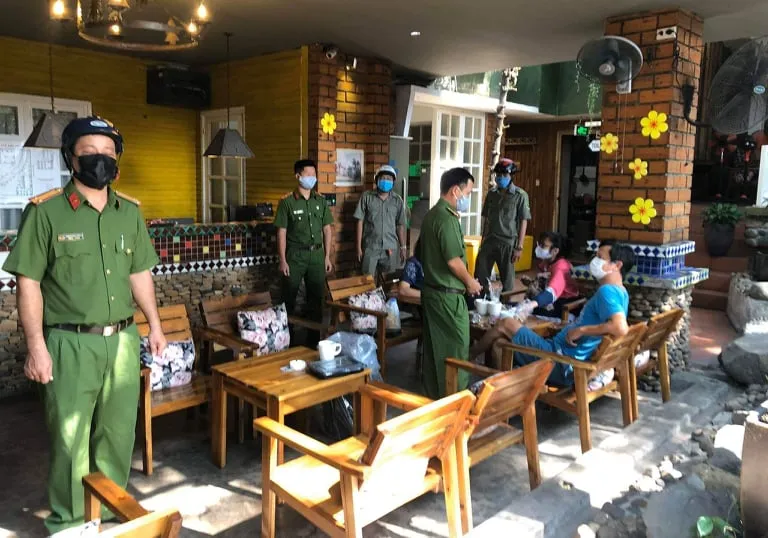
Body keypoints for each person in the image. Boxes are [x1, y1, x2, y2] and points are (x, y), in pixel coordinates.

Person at [2, 116, 167, 534]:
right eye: (90, 153)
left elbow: (139, 274)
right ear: (71, 159)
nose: (100, 160)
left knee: (117, 434)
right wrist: (36, 346)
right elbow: (28, 282)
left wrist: (155, 325)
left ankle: (109, 512)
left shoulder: (128, 212)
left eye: (108, 153)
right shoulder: (46, 213)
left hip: (124, 340)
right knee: (70, 439)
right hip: (69, 343)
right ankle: (71, 522)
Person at [470, 239, 634, 387]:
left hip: (559, 361)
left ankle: (469, 358)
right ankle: (505, 392)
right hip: (567, 360)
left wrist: (581, 330)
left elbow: (620, 327)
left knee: (505, 323)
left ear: (617, 265)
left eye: (600, 257)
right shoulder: (621, 291)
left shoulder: (607, 292)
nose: (594, 261)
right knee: (499, 343)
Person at [420, 168, 483, 398]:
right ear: (455, 191)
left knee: (434, 350)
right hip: (447, 296)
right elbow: (454, 261)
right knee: (456, 350)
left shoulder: (432, 215)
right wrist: (470, 282)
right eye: (468, 193)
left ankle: (433, 398)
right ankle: (457, 401)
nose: (468, 198)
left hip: (433, 292)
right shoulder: (446, 219)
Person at [275, 159, 334, 343]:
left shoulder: (320, 201)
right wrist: (283, 260)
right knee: (288, 298)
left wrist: (327, 257)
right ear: (298, 176)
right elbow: (281, 232)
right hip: (295, 255)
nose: (312, 178)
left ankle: (313, 342)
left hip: (317, 255)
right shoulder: (287, 202)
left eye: (314, 175)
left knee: (316, 300)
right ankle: (288, 341)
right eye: (308, 174)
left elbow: (327, 229)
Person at [474, 158, 531, 295]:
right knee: (480, 274)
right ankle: (481, 300)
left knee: (507, 281)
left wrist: (519, 247)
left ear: (511, 176)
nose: (500, 178)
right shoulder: (492, 194)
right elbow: (486, 219)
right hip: (490, 240)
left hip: (508, 242)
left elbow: (524, 220)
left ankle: (506, 304)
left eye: (504, 175)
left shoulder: (520, 195)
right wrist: (482, 240)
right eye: (498, 175)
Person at [354, 165, 407, 277]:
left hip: (390, 248)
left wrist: (403, 247)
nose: (386, 181)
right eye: (383, 178)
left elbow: (400, 225)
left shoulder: (397, 201)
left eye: (389, 179)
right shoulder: (366, 197)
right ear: (377, 179)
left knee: (388, 281)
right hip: (370, 247)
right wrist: (358, 247)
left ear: (393, 182)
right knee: (367, 280)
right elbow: (359, 222)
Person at [520, 231, 582, 320]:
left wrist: (531, 305)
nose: (539, 248)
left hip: (565, 306)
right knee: (515, 308)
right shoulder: (548, 262)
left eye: (543, 246)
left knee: (517, 309)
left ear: (555, 250)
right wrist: (530, 283)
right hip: (554, 301)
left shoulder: (561, 266)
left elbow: (552, 291)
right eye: (540, 244)